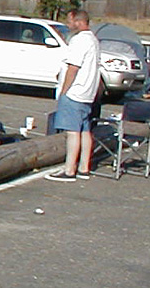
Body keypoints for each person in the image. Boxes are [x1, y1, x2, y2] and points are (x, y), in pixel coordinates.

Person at [45, 10, 101, 182]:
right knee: (85, 130)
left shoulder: (80, 40)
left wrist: (64, 90)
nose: (68, 25)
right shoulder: (93, 39)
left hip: (75, 92)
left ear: (78, 22)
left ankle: (69, 170)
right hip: (88, 93)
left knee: (72, 132)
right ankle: (84, 167)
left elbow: (73, 68)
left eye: (69, 21)